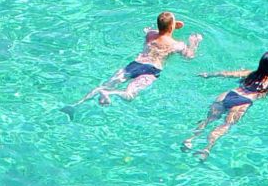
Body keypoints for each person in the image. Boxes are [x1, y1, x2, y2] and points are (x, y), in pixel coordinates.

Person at [64, 11, 202, 115]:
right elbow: (189, 57)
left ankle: (76, 104)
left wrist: (170, 26)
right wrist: (193, 43)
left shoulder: (150, 35)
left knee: (104, 85)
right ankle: (109, 94)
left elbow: (158, 30)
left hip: (135, 64)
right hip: (152, 70)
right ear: (172, 27)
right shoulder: (177, 45)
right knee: (129, 95)